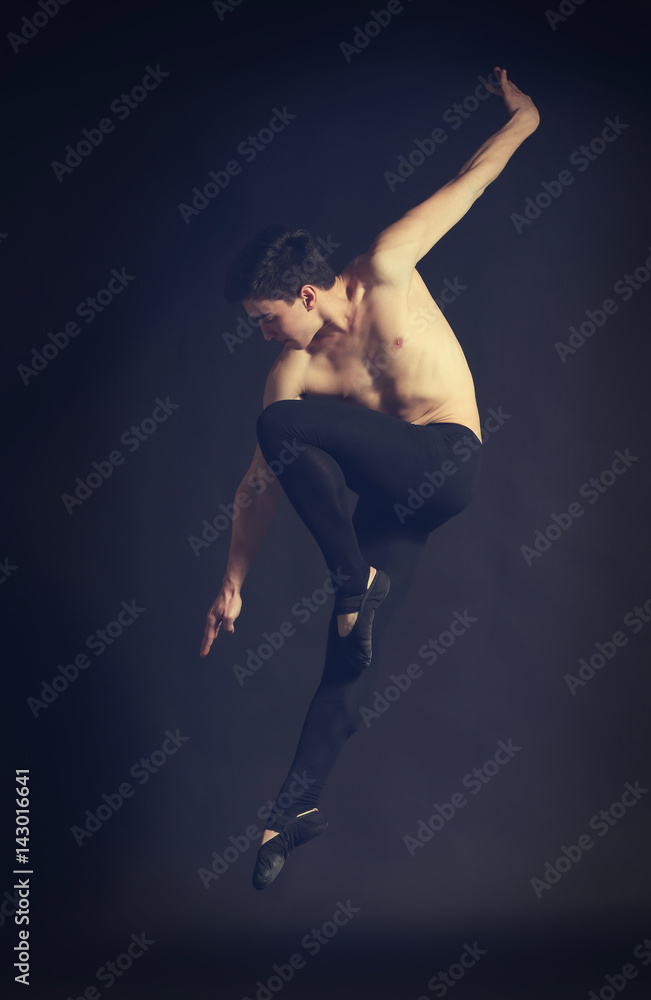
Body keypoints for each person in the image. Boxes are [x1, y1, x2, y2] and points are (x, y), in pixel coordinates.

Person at [200, 67, 539, 889]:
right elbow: (260, 484)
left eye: (267, 319)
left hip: (447, 459)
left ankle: (353, 577)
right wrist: (232, 583)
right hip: (394, 499)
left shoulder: (386, 266)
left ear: (307, 294)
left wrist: (524, 116)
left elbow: (471, 180)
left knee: (281, 425)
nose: (264, 337)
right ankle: (291, 814)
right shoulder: (293, 371)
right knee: (349, 658)